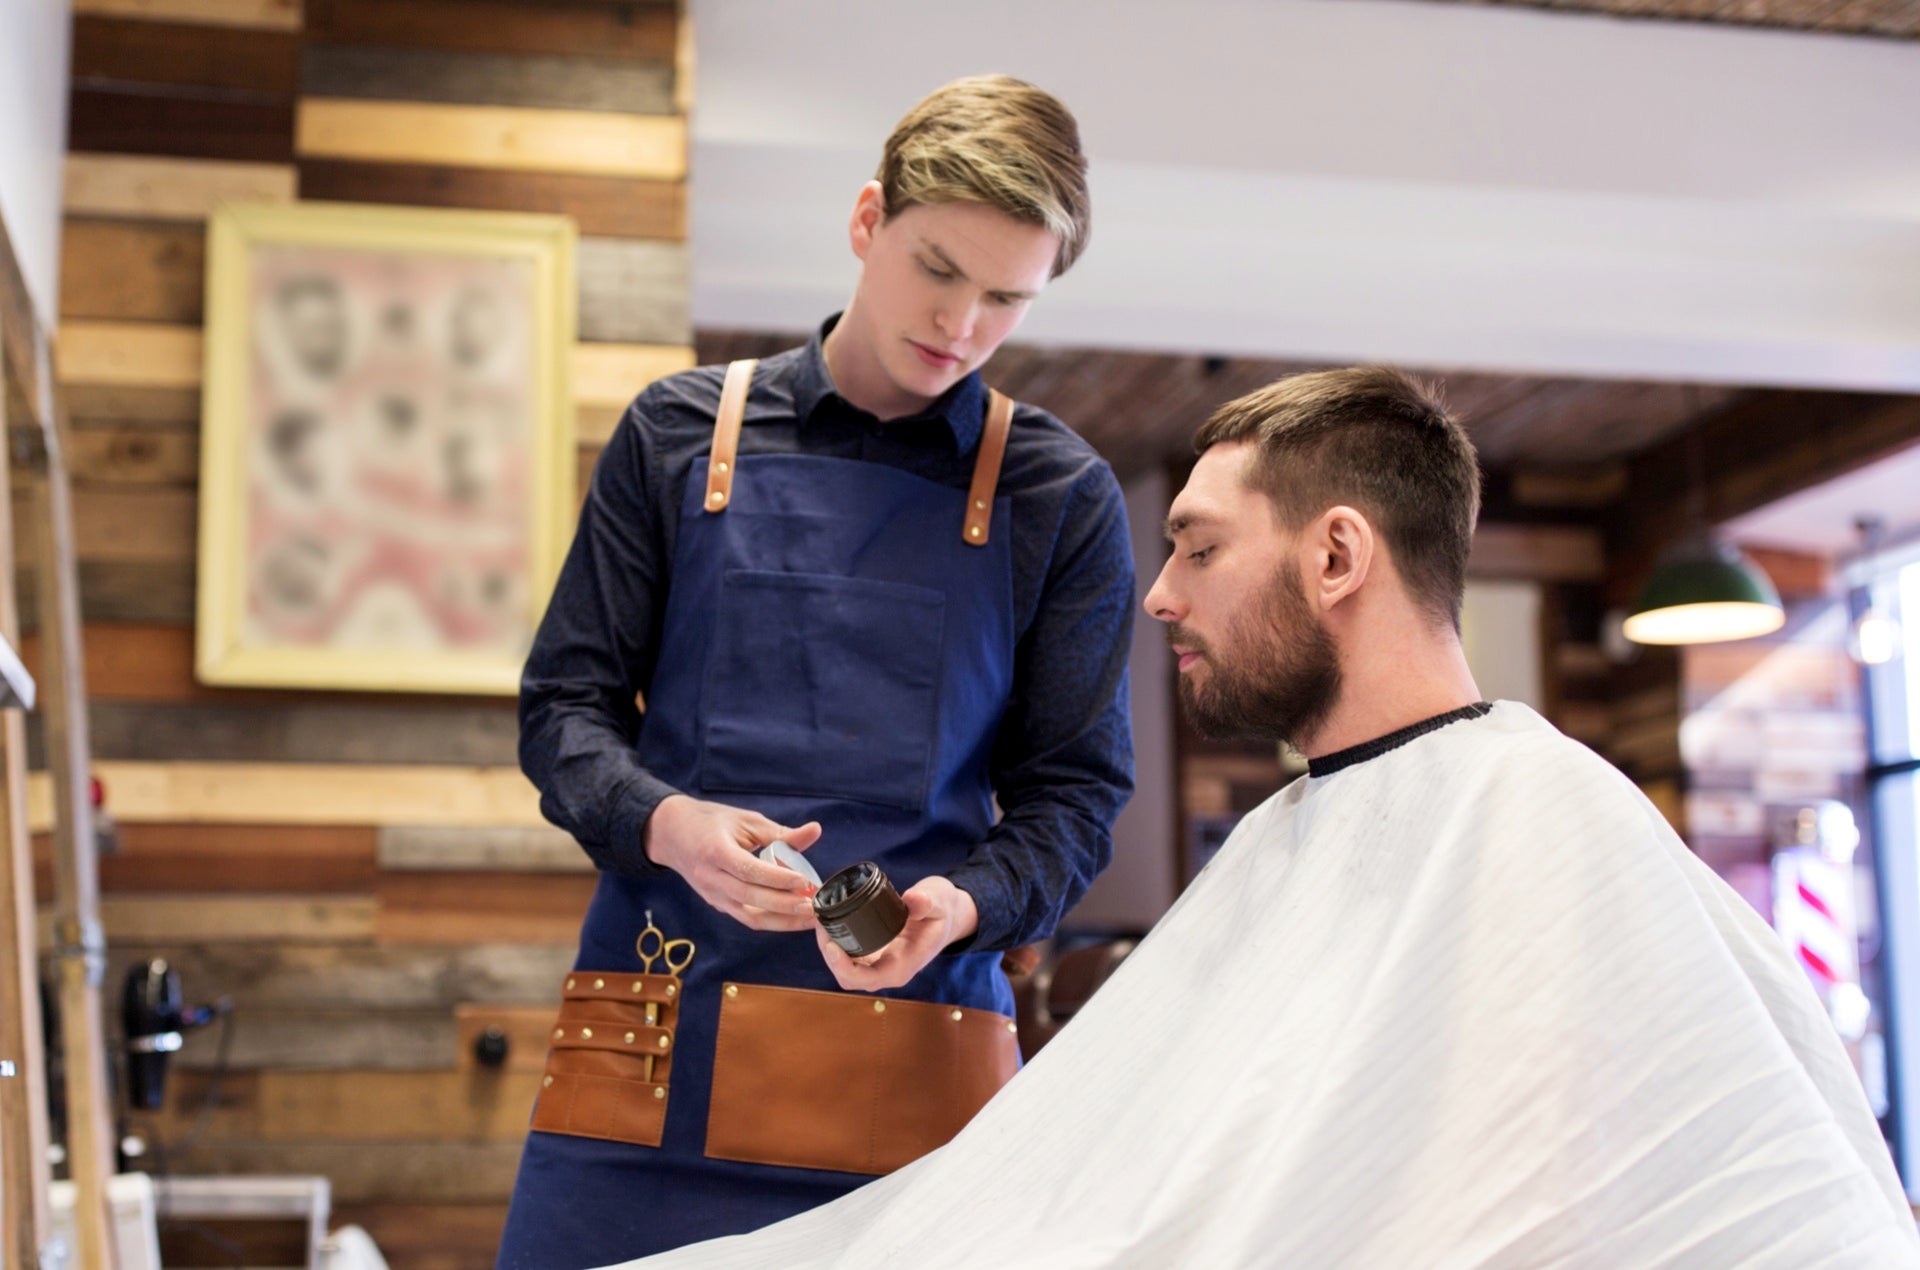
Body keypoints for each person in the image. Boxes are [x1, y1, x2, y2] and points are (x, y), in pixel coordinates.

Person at [621, 367, 1920, 1269]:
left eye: (1197, 547)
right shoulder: (1308, 829)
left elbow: (1706, 1198)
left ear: (1337, 556)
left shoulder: (1539, 817)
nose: (1161, 597)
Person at [497, 75, 1135, 1268]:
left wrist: (970, 905)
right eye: (937, 269)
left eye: (1007, 297)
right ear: (865, 221)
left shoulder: (1061, 497)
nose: (962, 323)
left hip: (916, 1067)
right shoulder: (676, 436)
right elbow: (564, 710)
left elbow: (1075, 795)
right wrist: (670, 824)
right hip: (650, 1042)